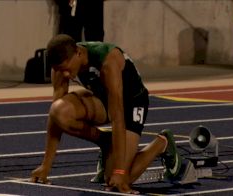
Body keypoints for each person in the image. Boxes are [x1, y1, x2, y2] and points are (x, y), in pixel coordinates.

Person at [30, 34, 184, 194]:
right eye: (60, 70)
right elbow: (54, 119)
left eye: (67, 68)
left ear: (78, 53)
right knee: (59, 111)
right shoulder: (60, 69)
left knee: (120, 179)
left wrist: (119, 172)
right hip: (103, 99)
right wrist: (46, 165)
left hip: (132, 103)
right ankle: (106, 142)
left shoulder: (108, 62)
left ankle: (162, 143)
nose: (66, 75)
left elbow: (118, 118)